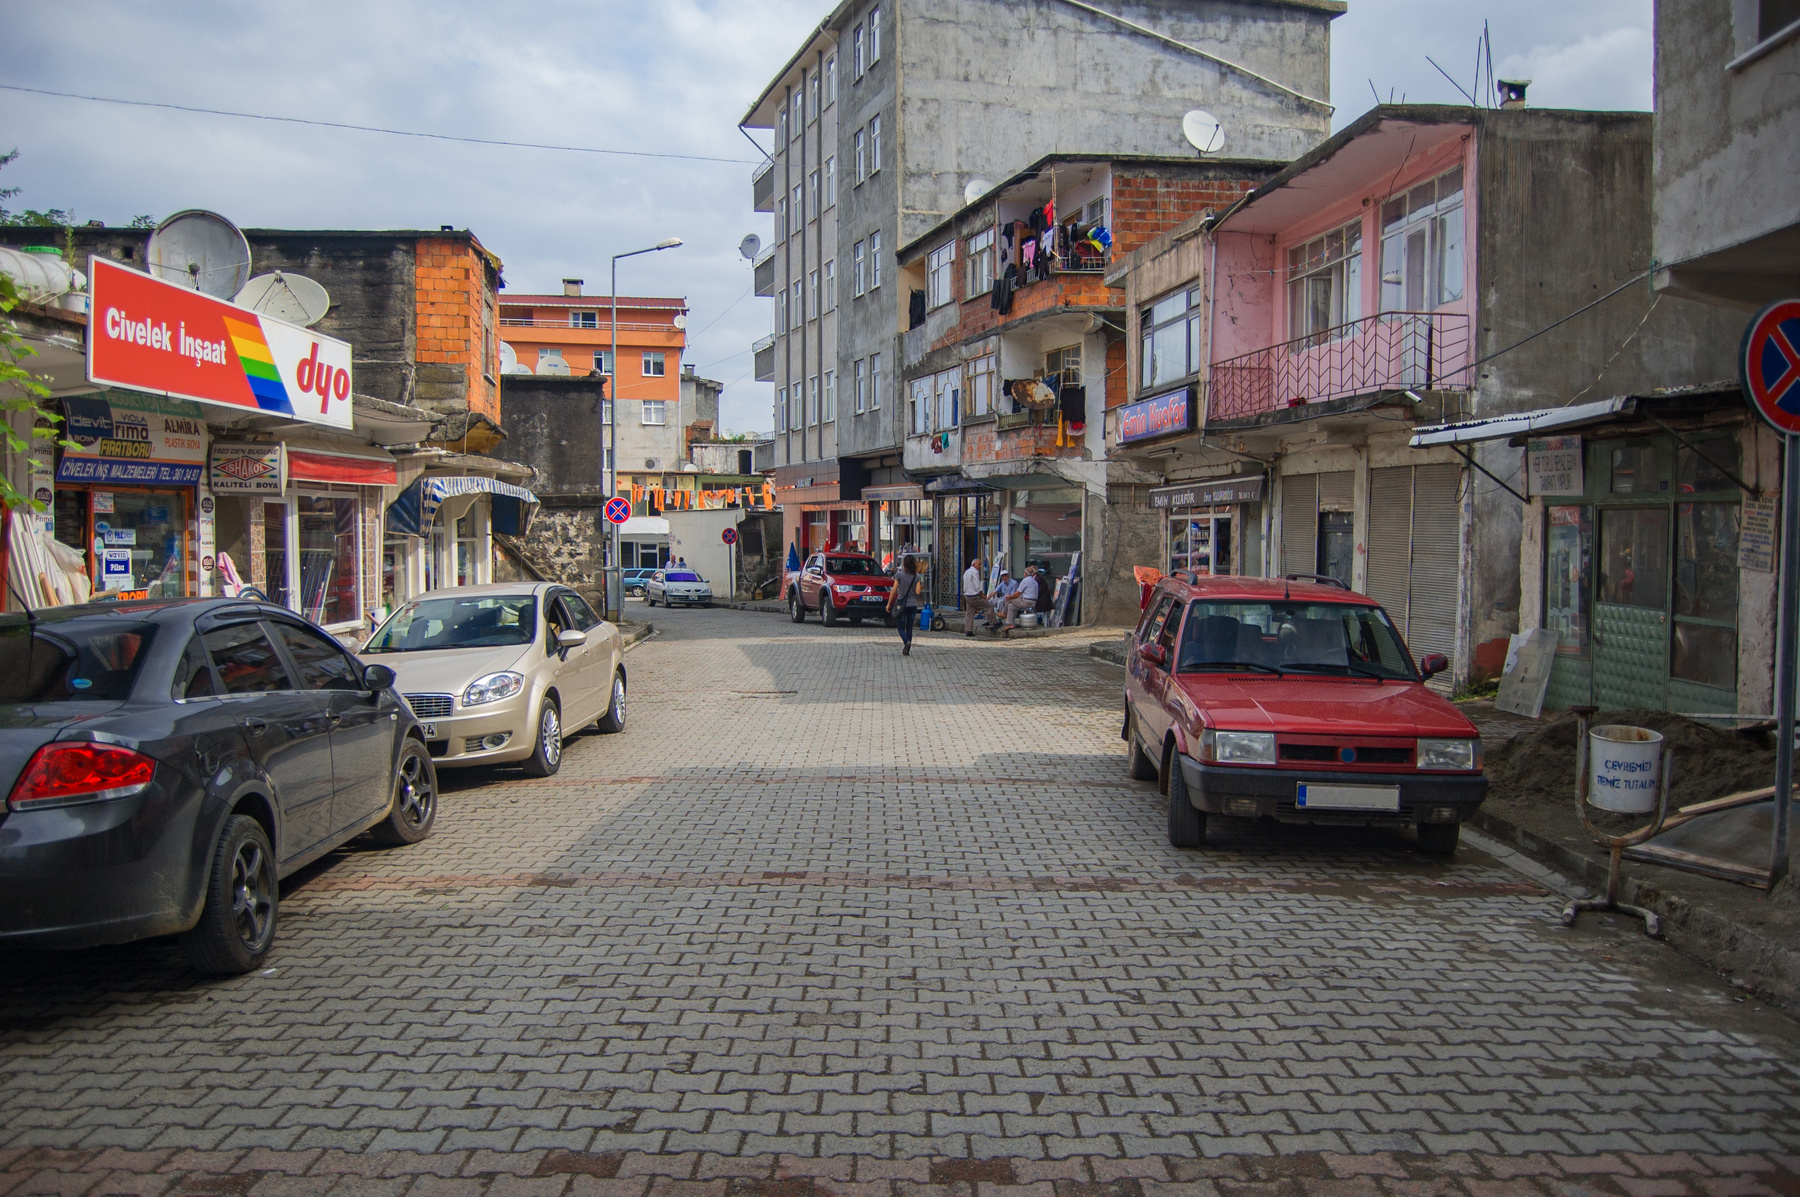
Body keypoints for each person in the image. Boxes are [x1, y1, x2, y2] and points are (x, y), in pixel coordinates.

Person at [888, 554, 922, 656]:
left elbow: (894, 590)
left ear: (904, 564)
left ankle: (906, 641)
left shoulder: (899, 575)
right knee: (909, 627)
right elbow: (918, 592)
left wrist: (889, 603)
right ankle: (908, 647)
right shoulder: (917, 576)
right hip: (912, 605)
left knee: (900, 627)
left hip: (901, 605)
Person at [961, 556, 985, 636]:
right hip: (974, 595)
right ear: (974, 564)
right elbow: (977, 585)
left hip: (967, 595)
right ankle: (994, 622)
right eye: (979, 564)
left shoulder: (967, 572)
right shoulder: (974, 572)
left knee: (969, 613)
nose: (980, 566)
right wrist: (982, 594)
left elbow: (965, 585)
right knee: (988, 606)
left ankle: (968, 630)